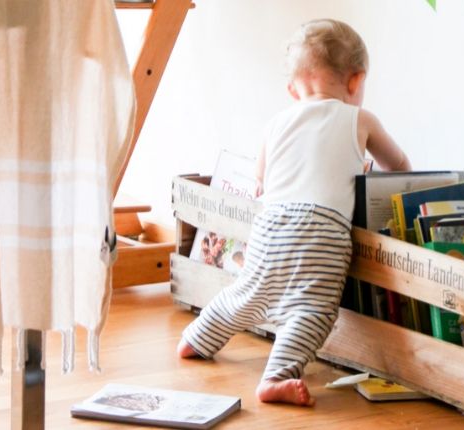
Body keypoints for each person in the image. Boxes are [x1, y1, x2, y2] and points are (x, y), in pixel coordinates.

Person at [177, 18, 411, 407]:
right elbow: (400, 168)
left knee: (248, 294)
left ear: (292, 89)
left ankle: (196, 339)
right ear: (356, 81)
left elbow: (261, 181)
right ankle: (276, 376)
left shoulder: (276, 124)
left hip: (271, 224)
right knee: (313, 309)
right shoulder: (360, 119)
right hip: (323, 230)